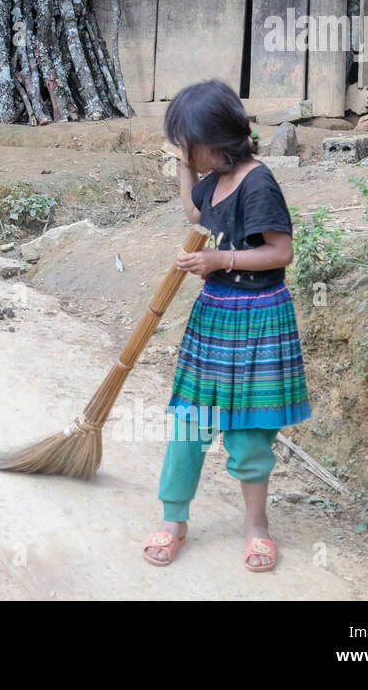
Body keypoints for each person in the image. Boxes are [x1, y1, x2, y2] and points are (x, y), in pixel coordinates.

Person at [142, 79, 308, 572]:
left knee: (251, 431)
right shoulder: (214, 180)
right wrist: (180, 162)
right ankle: (174, 520)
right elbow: (196, 210)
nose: (188, 153)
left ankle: (257, 527)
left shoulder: (258, 182)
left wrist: (219, 258)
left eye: (189, 143)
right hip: (215, 315)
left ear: (213, 141)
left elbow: (281, 251)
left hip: (260, 318)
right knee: (188, 423)